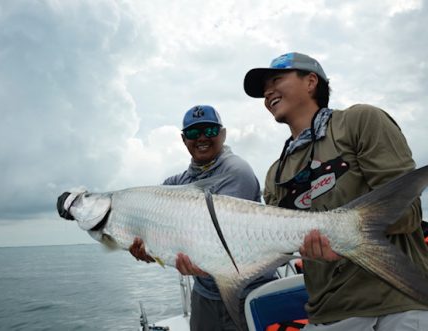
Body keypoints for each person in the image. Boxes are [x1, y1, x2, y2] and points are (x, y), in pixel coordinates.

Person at [243, 52, 428, 330]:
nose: (268, 92)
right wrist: (209, 260)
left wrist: (339, 237)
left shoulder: (360, 121)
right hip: (327, 314)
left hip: (396, 303)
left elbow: (408, 213)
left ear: (311, 82)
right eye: (264, 90)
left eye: (277, 79)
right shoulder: (275, 175)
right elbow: (276, 249)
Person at [129, 105, 271, 331]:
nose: (202, 138)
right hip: (205, 293)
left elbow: (219, 238)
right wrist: (147, 249)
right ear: (184, 139)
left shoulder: (236, 170)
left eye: (210, 131)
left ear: (223, 134)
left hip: (248, 290)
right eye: (194, 133)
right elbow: (150, 212)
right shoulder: (180, 181)